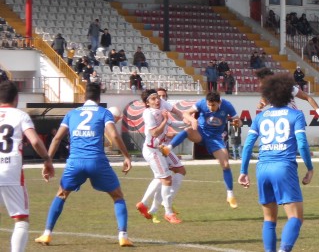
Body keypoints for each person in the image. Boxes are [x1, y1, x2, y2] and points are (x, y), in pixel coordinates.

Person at [35, 83, 134, 247]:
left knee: (61, 194)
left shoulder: (72, 114)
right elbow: (114, 136)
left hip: (75, 161)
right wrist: (126, 156)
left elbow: (57, 138)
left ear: (84, 97)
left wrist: (48, 160)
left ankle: (47, 234)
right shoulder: (104, 112)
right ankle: (123, 236)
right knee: (117, 196)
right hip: (97, 161)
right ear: (99, 98)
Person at [238, 74, 314, 252]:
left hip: (262, 167)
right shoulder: (296, 115)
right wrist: (310, 168)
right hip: (283, 167)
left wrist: (243, 171)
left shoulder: (260, 117)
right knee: (295, 217)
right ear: (289, 94)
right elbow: (302, 144)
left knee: (269, 219)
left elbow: (248, 145)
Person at [161, 91, 241, 209]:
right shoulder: (202, 103)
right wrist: (193, 120)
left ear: (219, 102)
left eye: (213, 105)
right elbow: (186, 113)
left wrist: (237, 123)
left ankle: (230, 195)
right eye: (209, 105)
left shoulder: (227, 105)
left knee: (225, 164)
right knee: (188, 131)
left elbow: (238, 121)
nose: (210, 107)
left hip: (215, 139)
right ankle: (168, 148)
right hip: (201, 132)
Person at [0, 81, 54, 252]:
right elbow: (35, 140)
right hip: (11, 171)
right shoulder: (20, 115)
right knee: (21, 219)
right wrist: (47, 159)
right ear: (17, 98)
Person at [135, 89, 182, 224]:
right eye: (154, 98)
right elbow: (155, 132)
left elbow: (175, 118)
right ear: (147, 102)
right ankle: (168, 212)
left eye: (159, 98)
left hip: (162, 149)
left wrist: (188, 123)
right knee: (166, 179)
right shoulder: (148, 113)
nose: (157, 100)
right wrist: (165, 120)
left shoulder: (163, 106)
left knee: (178, 170)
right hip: (153, 150)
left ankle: (145, 204)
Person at [255, 68, 319, 120]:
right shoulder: (266, 91)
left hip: (291, 117)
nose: (260, 83)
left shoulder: (287, 88)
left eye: (261, 81)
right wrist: (261, 104)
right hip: (277, 118)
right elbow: (264, 101)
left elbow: (307, 97)